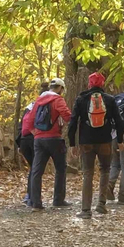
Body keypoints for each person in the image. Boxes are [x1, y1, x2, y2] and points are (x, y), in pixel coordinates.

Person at [67, 71, 123, 219]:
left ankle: (86, 210)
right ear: (102, 84)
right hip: (105, 140)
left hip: (86, 142)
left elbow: (73, 122)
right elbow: (118, 121)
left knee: (88, 174)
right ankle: (101, 204)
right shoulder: (110, 99)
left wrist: (72, 143)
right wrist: (121, 140)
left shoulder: (81, 99)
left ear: (89, 84)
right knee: (105, 170)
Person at [25, 79, 71, 211]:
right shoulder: (57, 100)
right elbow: (67, 116)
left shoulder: (39, 100)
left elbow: (29, 121)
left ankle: (36, 203)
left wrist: (36, 134)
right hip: (55, 139)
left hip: (39, 140)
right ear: (60, 89)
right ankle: (58, 200)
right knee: (61, 168)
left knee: (36, 171)